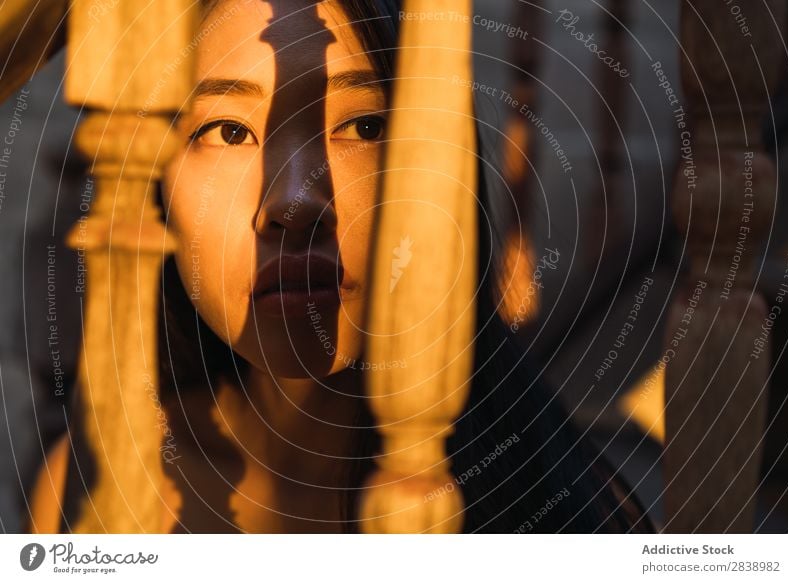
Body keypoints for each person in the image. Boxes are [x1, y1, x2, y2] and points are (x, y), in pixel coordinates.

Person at [34, 0, 655, 533]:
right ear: (156, 186)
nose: (296, 202)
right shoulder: (89, 486)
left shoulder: (561, 506)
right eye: (226, 132)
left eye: (362, 125)